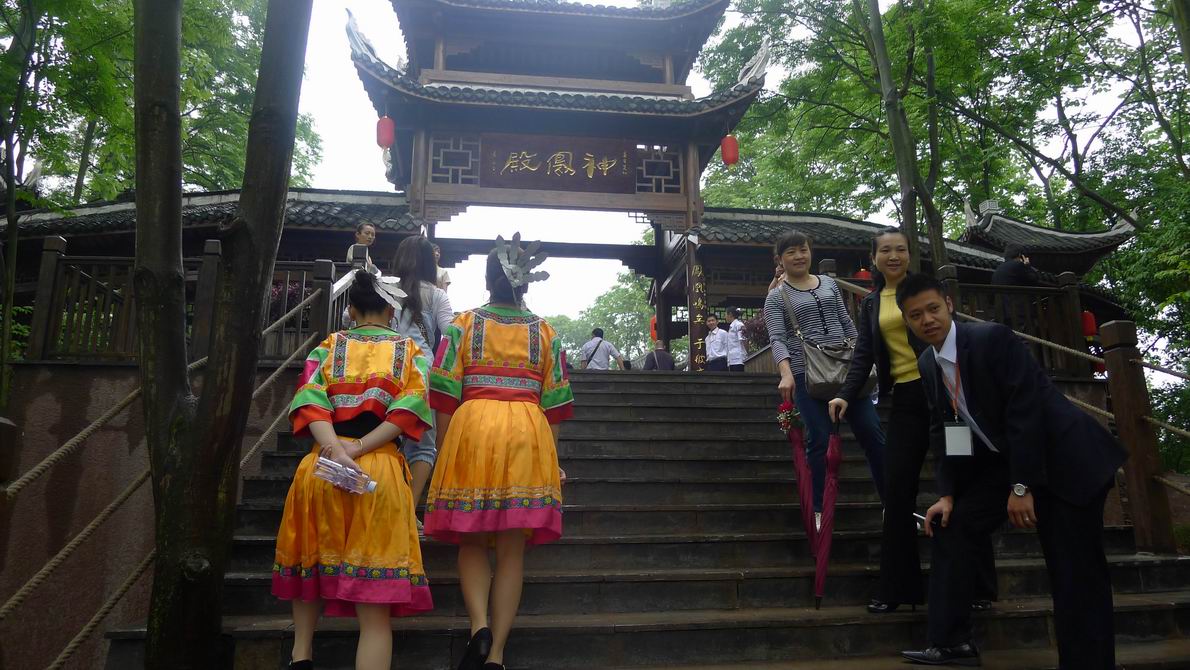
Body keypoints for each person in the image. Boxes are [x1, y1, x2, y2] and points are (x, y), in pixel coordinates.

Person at [896, 273, 1126, 668]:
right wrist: (948, 494)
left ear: (949, 305)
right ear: (907, 321)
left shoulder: (991, 340)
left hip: (1067, 460)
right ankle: (951, 643)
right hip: (1008, 464)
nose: (927, 320)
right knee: (955, 524)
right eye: (916, 315)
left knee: (1074, 571)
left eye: (933, 308)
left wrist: (1021, 486)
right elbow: (947, 429)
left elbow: (1026, 411)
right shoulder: (928, 364)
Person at [828, 228, 997, 616]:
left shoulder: (925, 291)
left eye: (900, 249)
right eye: (885, 250)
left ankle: (977, 585)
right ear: (873, 258)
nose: (893, 256)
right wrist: (845, 393)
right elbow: (864, 354)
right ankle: (898, 588)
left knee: (963, 476)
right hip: (905, 400)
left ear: (910, 255)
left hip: (946, 396)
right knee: (897, 486)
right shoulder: (871, 304)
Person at [272, 270, 434, 670]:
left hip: (321, 467)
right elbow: (408, 410)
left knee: (309, 577)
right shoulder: (409, 352)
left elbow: (309, 401)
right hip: (378, 475)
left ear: (351, 310)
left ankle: (301, 655)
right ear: (391, 310)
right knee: (374, 617)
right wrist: (360, 447)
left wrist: (334, 448)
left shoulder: (326, 348)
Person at [425, 237, 574, 670]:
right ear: (525, 284)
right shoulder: (546, 331)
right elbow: (557, 405)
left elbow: (443, 391)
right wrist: (552, 457)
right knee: (512, 548)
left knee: (471, 538)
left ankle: (478, 628)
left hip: (472, 425)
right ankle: (499, 654)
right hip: (528, 429)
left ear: (488, 280)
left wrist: (445, 449)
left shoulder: (464, 325)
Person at [764, 230, 886, 527]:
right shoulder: (775, 298)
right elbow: (777, 338)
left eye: (803, 249)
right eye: (791, 252)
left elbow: (847, 323)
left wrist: (863, 360)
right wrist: (785, 374)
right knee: (818, 438)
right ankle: (819, 508)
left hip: (846, 370)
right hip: (808, 372)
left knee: (873, 434)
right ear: (780, 260)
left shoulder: (830, 284)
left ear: (811, 252)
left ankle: (892, 502)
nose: (798, 256)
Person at [391, 235, 455, 511]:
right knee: (424, 446)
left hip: (386, 370)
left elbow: (349, 317)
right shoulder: (438, 294)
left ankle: (383, 507)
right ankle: (407, 509)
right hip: (422, 373)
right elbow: (452, 333)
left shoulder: (386, 289)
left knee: (388, 438)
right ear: (431, 262)